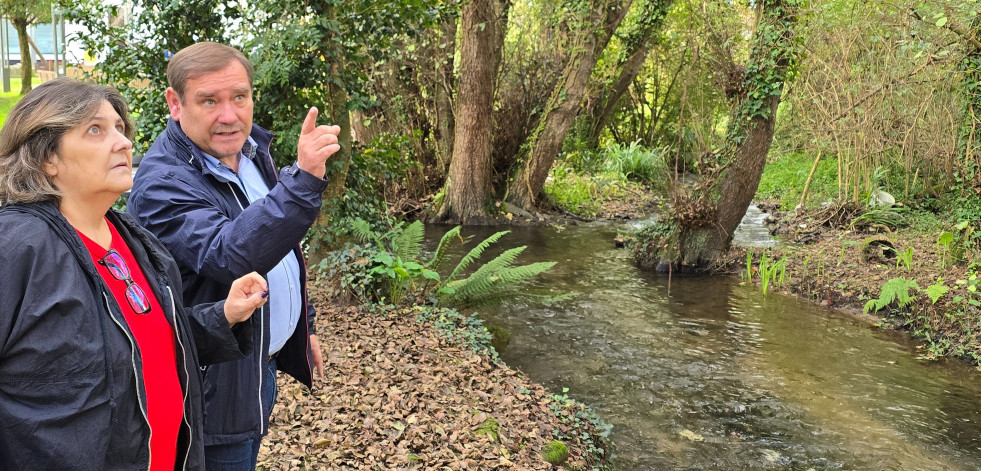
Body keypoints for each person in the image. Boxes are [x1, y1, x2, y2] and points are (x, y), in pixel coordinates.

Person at [0, 77, 270, 470]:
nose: (123, 143)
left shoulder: (136, 241)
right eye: (95, 130)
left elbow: (147, 347)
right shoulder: (16, 247)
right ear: (46, 157)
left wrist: (223, 316)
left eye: (120, 128)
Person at [127, 42, 341, 469]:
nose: (229, 115)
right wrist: (301, 184)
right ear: (175, 103)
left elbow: (280, 247)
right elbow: (229, 254)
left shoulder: (249, 151)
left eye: (239, 97)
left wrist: (304, 324)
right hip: (211, 388)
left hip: (256, 367)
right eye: (209, 101)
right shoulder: (161, 183)